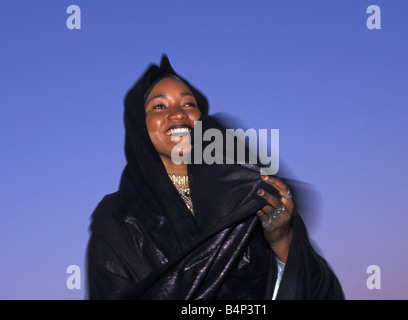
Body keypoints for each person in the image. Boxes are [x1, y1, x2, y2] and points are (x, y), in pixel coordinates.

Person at [87, 55, 344, 300]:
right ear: (138, 125)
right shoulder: (116, 218)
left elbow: (318, 288)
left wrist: (281, 240)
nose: (178, 114)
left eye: (188, 103)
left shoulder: (249, 194)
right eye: (159, 106)